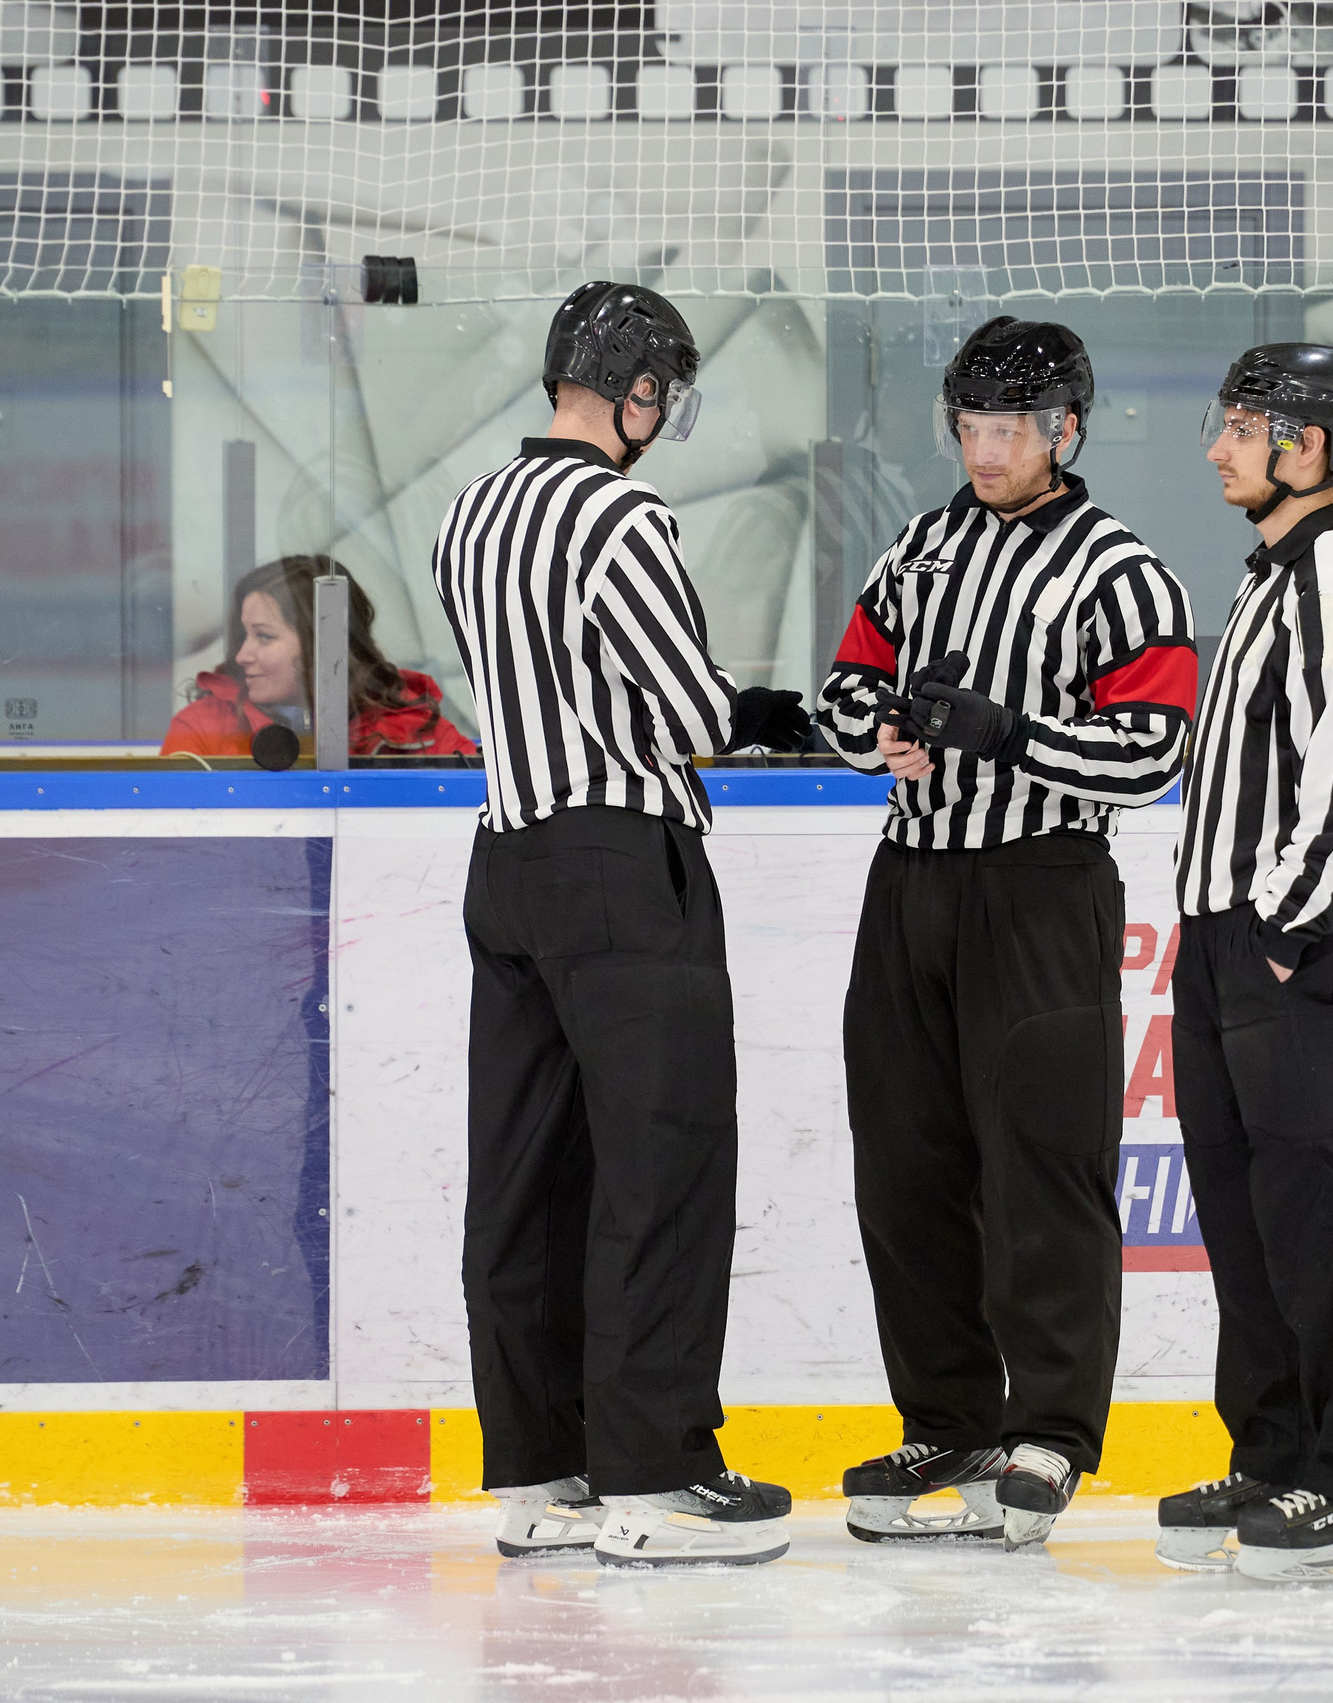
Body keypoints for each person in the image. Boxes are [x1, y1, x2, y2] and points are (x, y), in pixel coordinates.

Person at [432, 280, 813, 1569]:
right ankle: (654, 1476)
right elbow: (689, 711)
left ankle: (538, 1475)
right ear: (641, 391)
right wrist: (793, 714)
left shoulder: (472, 509)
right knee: (662, 1167)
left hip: (507, 859)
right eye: (663, 395)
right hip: (616, 858)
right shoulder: (620, 511)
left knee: (527, 1176)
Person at [817, 317, 1198, 1550]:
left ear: (1065, 431)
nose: (983, 452)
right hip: (911, 883)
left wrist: (1006, 732)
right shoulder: (921, 548)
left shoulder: (1119, 569)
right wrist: (881, 732)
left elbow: (1152, 750)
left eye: (1007, 431)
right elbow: (842, 681)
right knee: (907, 1163)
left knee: (1043, 1160)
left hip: (1040, 887)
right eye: (969, 428)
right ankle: (947, 1414)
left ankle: (1051, 1426)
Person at [1155, 343, 1333, 1584]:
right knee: (1249, 1213)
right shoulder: (1269, 578)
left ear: (1304, 447)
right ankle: (1277, 1448)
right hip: (1225, 941)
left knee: (1326, 1210)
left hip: (1292, 942)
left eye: (1241, 427)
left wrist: (1278, 924)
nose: (1219, 447)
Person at [162, 557, 478, 760]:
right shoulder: (202, 728)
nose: (243, 655)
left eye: (264, 636)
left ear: (322, 645)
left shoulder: (416, 728)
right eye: (244, 636)